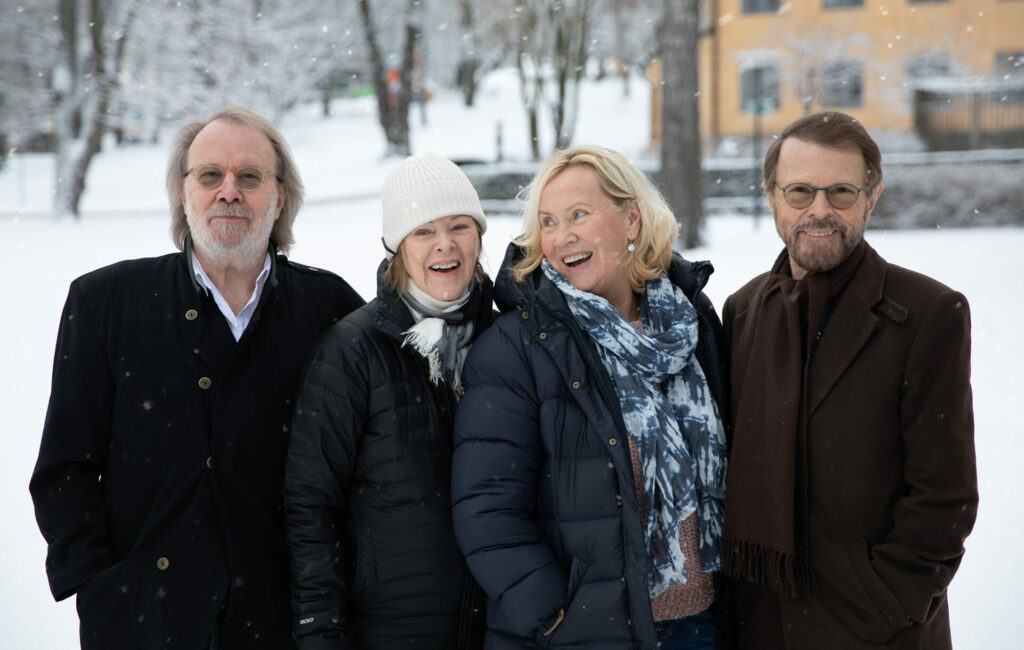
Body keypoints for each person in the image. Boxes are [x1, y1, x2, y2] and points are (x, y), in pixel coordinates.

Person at [29, 105, 365, 650]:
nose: (228, 191)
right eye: (210, 175)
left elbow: (371, 467)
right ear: (183, 194)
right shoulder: (105, 304)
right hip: (145, 625)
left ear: (280, 197)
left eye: (249, 177)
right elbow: (64, 471)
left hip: (284, 623)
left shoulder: (329, 308)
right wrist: (100, 586)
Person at [451, 145, 729, 649]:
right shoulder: (518, 345)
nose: (563, 237)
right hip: (589, 633)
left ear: (632, 219)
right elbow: (487, 509)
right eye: (549, 223)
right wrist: (558, 615)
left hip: (700, 623)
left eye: (580, 214)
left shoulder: (690, 320)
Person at [720, 111, 977, 650]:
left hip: (874, 629)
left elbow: (943, 497)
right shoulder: (742, 313)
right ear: (771, 195)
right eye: (799, 191)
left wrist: (889, 602)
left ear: (871, 195)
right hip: (759, 623)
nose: (819, 210)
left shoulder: (926, 313)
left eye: (840, 191)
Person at [283, 154, 491, 649]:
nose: (445, 244)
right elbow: (310, 503)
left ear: (479, 238)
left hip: (495, 630)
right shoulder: (353, 350)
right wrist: (322, 630)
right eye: (423, 232)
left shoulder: (505, 338)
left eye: (459, 226)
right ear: (398, 249)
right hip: (389, 631)